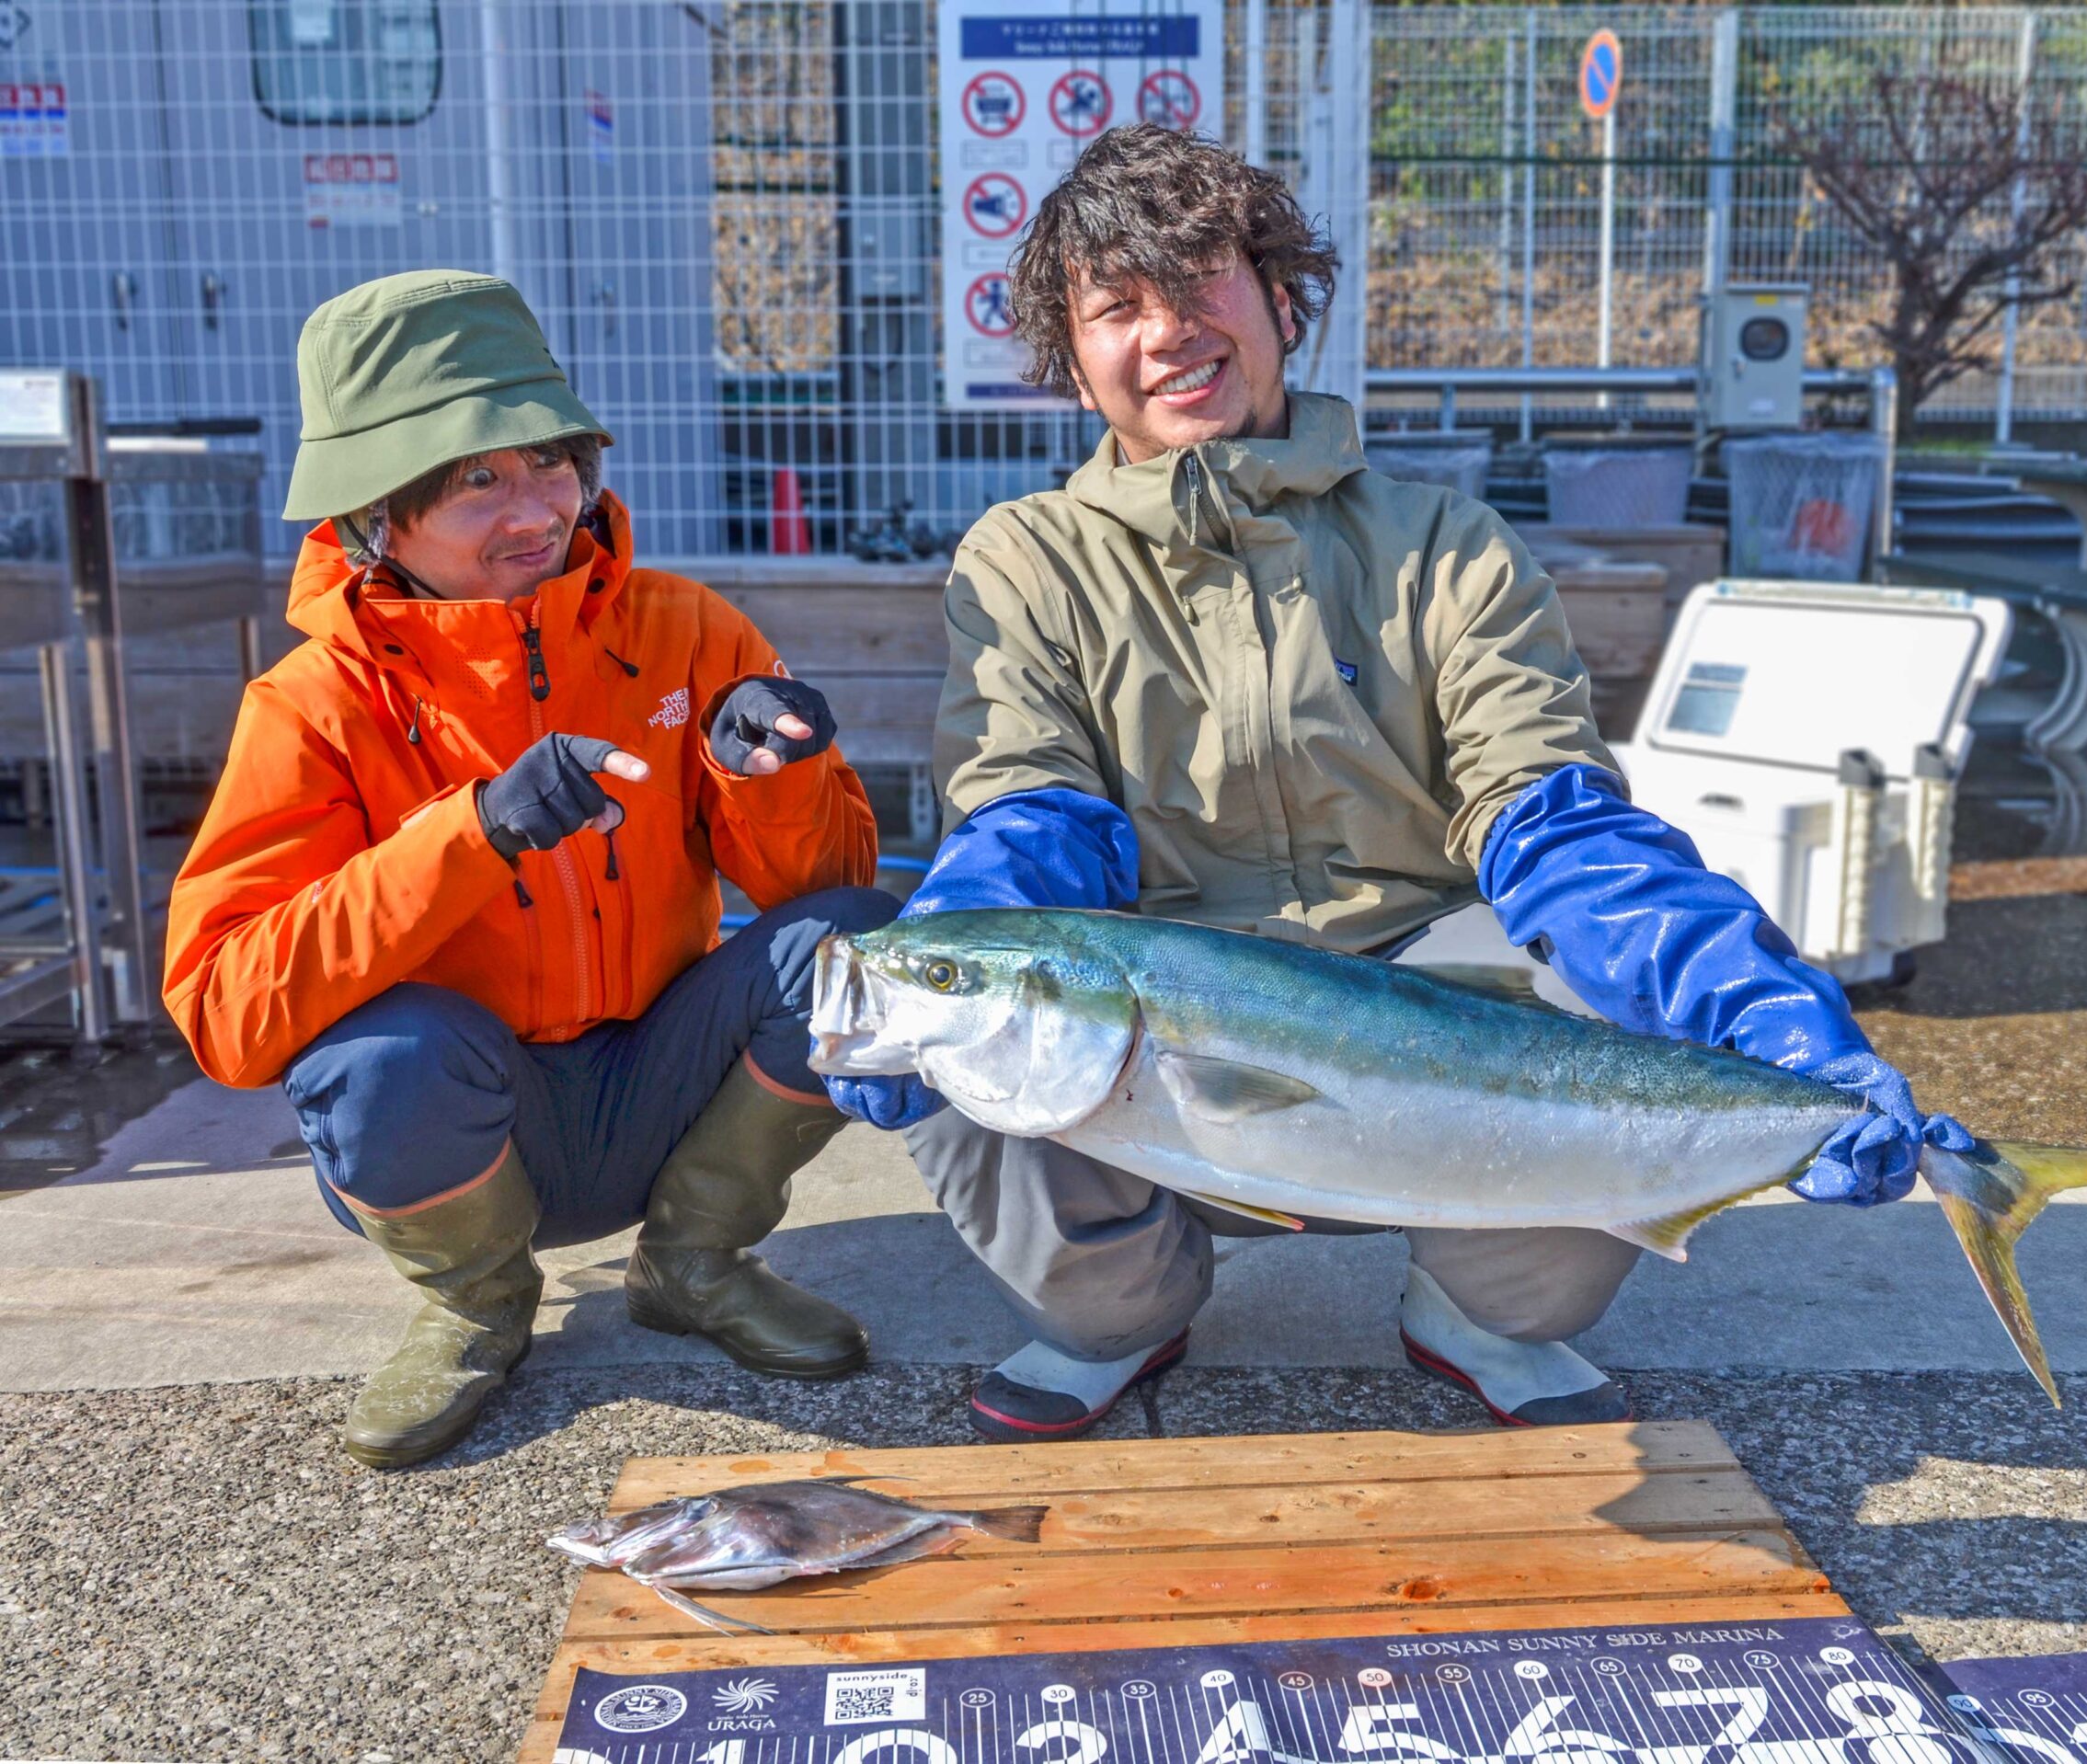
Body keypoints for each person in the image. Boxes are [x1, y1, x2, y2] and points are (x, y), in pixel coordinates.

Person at [831, 127, 1979, 1443]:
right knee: (986, 1024)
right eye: (1115, 308)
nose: (1166, 334)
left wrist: (1752, 1007)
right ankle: (1120, 1311)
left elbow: (1553, 824)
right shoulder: (1028, 560)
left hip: (1422, 978)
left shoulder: (1445, 543)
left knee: (1594, 1001)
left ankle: (1482, 1312)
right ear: (1071, 353)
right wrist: (953, 958)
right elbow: (1029, 810)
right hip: (1173, 1011)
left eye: (1201, 279)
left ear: (1277, 293)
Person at [164, 271, 895, 1469]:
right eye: (473, 480)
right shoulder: (312, 705)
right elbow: (226, 1012)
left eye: (549, 461)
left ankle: (693, 1262)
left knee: (861, 948)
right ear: (374, 517)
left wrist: (772, 773)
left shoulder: (686, 630)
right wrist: (472, 835)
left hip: (660, 1085)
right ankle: (475, 1303)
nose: (534, 508)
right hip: (469, 1124)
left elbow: (820, 890)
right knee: (376, 1054)